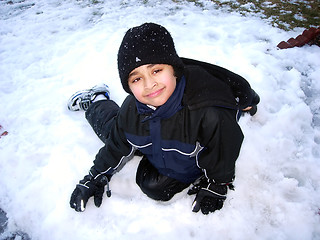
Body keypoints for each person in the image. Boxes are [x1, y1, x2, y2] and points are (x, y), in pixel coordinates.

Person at [68, 22, 260, 215]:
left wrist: (217, 185)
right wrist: (95, 177)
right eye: (136, 79)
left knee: (154, 186)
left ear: (174, 69)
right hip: (153, 134)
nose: (149, 84)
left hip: (185, 137)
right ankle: (96, 99)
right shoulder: (131, 110)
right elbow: (115, 147)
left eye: (156, 71)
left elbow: (224, 152)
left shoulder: (209, 113)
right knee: (114, 132)